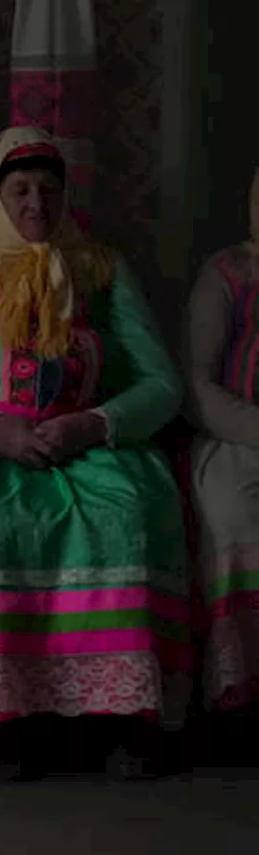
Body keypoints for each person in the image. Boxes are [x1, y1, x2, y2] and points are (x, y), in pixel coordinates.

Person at [0, 126, 190, 776]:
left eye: (49, 190)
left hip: (86, 438)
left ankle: (115, 721)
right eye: (20, 189)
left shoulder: (100, 266)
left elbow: (162, 382)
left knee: (126, 513)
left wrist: (96, 424)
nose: (35, 204)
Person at [186, 165, 259, 714]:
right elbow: (196, 382)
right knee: (235, 514)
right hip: (239, 436)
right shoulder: (231, 273)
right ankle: (242, 696)